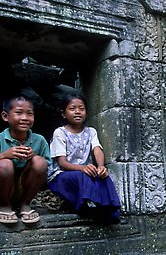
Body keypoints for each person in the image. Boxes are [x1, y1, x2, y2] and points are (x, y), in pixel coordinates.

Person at [47, 92, 121, 224]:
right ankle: (83, 206)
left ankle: (109, 209)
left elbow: (97, 148)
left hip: (85, 173)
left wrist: (101, 167)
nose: (77, 112)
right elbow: (62, 163)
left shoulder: (91, 131)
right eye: (72, 109)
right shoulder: (60, 132)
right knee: (82, 176)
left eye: (81, 109)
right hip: (62, 176)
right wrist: (83, 168)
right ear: (63, 114)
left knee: (103, 175)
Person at [0, 94, 50, 225]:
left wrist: (33, 156)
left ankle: (25, 205)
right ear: (5, 116)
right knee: (5, 164)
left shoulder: (39, 140)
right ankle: (5, 207)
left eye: (30, 114)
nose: (25, 118)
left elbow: (47, 171)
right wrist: (3, 156)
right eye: (18, 113)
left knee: (40, 162)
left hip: (25, 190)